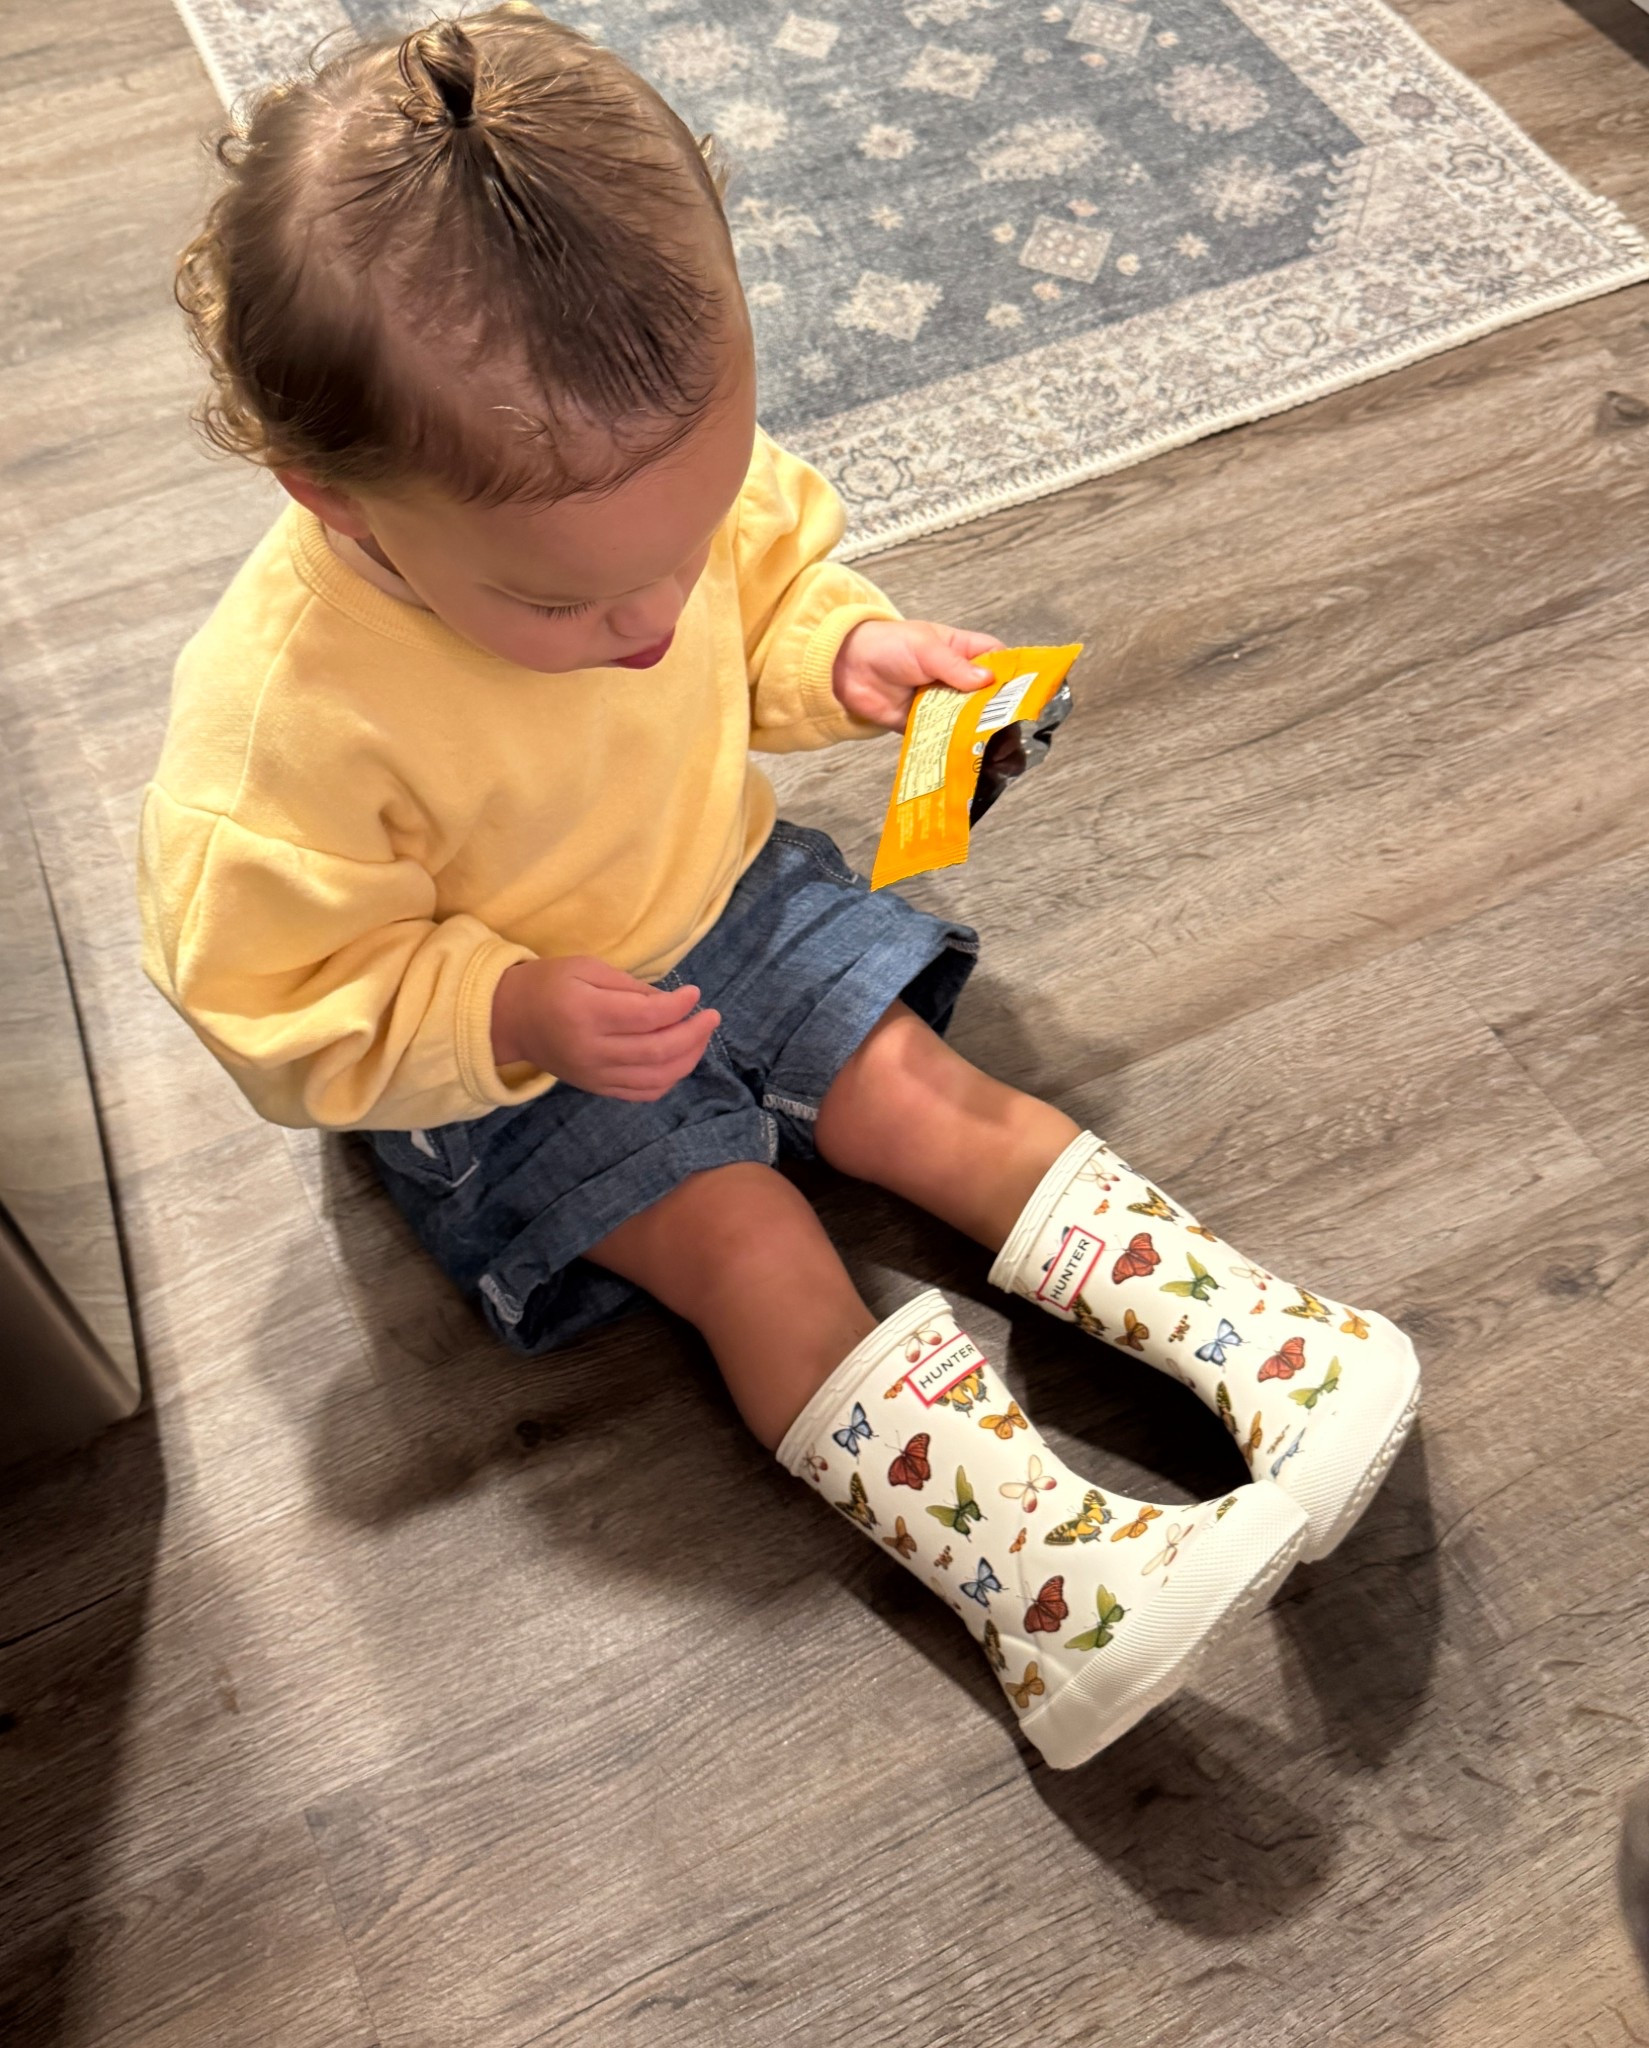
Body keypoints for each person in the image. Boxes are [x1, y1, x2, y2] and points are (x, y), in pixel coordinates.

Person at [139, 7, 1418, 1769]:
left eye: (685, 543)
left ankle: (1270, 1353)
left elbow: (764, 593)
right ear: (338, 504)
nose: (654, 619)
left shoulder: (641, 516)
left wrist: (851, 650)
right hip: (512, 1060)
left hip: (723, 894)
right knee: (746, 1238)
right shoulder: (277, 731)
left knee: (917, 1089)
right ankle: (1050, 1591)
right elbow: (274, 1000)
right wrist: (504, 1007)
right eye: (568, 604)